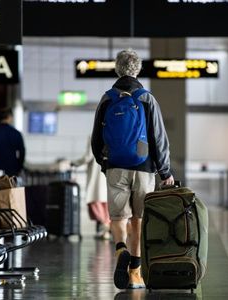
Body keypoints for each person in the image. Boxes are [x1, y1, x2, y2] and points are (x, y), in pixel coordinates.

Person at [91, 49, 174, 290]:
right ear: (137, 69)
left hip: (115, 165)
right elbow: (159, 138)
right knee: (138, 219)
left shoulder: (107, 99)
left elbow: (96, 138)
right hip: (144, 167)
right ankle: (135, 274)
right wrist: (165, 171)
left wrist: (104, 163)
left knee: (118, 217)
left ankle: (120, 251)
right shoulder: (146, 98)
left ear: (117, 69)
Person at [71, 136, 111, 240]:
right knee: (105, 205)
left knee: (95, 202)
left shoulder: (94, 135)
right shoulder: (113, 133)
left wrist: (75, 163)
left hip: (96, 176)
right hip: (108, 174)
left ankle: (105, 228)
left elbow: (88, 156)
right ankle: (105, 229)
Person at [0, 108, 25, 177]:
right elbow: (22, 152)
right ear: (9, 117)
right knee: (10, 188)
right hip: (11, 170)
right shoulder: (16, 133)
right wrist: (19, 167)